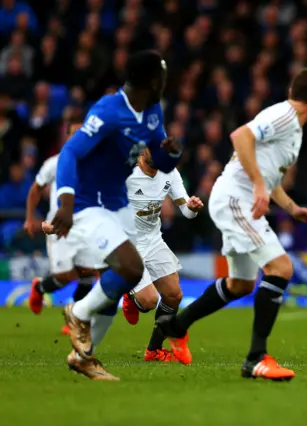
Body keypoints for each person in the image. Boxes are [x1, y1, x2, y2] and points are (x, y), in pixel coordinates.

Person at [156, 68, 307, 381]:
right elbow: (240, 137)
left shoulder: (293, 128)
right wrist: (259, 187)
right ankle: (256, 359)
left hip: (240, 198)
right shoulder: (285, 115)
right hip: (237, 198)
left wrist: (292, 209)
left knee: (241, 284)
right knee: (281, 268)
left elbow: (269, 176)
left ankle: (175, 326)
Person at [47, 50, 182, 380]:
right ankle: (78, 312)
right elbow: (70, 152)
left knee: (125, 277)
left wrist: (172, 154)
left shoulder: (151, 112)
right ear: (152, 81)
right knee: (131, 267)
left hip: (116, 203)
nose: (166, 82)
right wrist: (65, 202)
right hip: (87, 202)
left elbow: (160, 161)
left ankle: (84, 357)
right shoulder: (108, 110)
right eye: (163, 77)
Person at [121, 148, 203, 362]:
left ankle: (154, 350)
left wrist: (192, 207)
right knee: (149, 301)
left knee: (174, 295)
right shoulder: (124, 171)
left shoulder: (170, 172)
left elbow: (186, 209)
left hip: (153, 239)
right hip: (126, 244)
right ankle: (130, 295)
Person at [24, 122, 96, 334]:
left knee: (87, 272)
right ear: (66, 137)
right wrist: (29, 218)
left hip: (84, 226)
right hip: (58, 227)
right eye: (74, 135)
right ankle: (39, 287)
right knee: (64, 277)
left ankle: (74, 319)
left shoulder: (93, 164)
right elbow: (35, 190)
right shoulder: (55, 163)